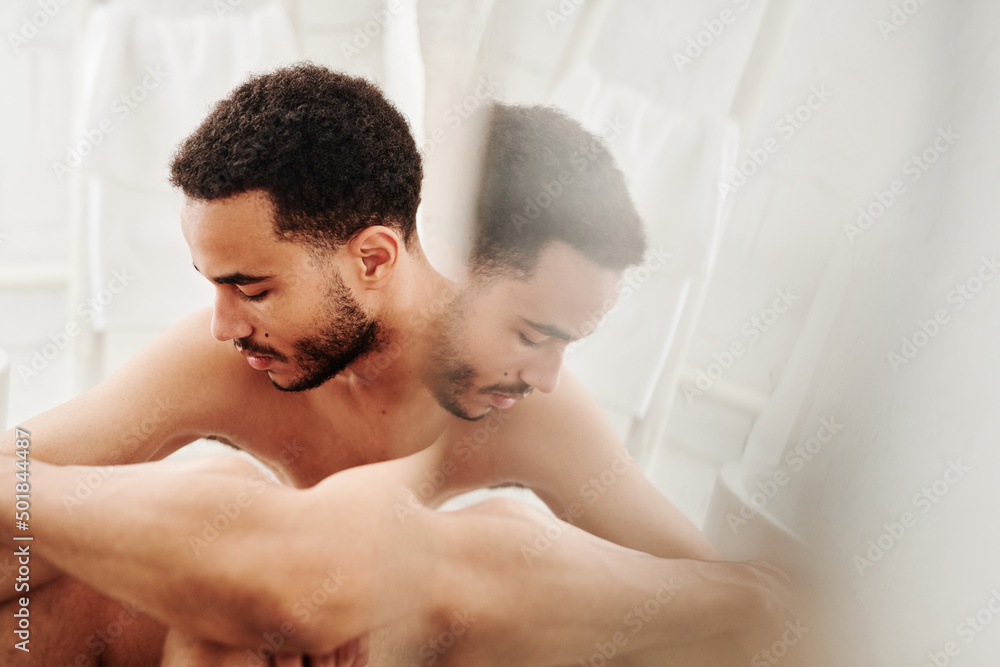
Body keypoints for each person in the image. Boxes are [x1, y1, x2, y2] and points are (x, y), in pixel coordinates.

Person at [0, 64, 798, 664]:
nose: (223, 324)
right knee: (170, 539)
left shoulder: (531, 412)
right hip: (239, 614)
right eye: (532, 334)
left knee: (486, 539)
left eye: (253, 289)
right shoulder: (227, 358)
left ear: (375, 259)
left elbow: (736, 600)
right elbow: (21, 468)